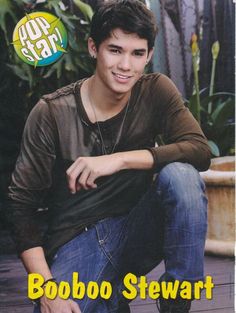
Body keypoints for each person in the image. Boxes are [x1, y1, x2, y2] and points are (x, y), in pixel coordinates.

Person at [6, 0, 211, 312]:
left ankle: (176, 300)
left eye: (137, 53)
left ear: (149, 55)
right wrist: (47, 292)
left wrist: (120, 159)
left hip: (137, 230)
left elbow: (199, 150)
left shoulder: (154, 90)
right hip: (79, 239)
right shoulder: (51, 112)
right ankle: (111, 296)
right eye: (115, 50)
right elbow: (21, 208)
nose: (125, 66)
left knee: (181, 176)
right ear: (93, 48)